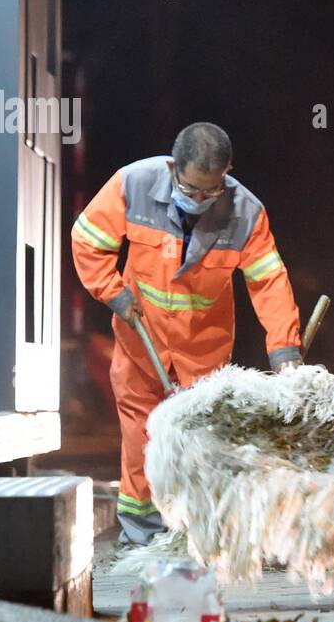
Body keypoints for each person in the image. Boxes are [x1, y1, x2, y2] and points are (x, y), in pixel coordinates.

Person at [71, 122, 303, 544]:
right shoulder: (133, 184)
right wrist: (113, 293)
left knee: (201, 440)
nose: (198, 201)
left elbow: (268, 281)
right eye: (190, 190)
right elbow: (87, 240)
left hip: (204, 350)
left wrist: (284, 350)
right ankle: (141, 530)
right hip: (141, 338)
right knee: (141, 434)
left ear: (227, 173)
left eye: (210, 193)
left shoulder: (245, 212)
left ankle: (198, 529)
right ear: (173, 167)